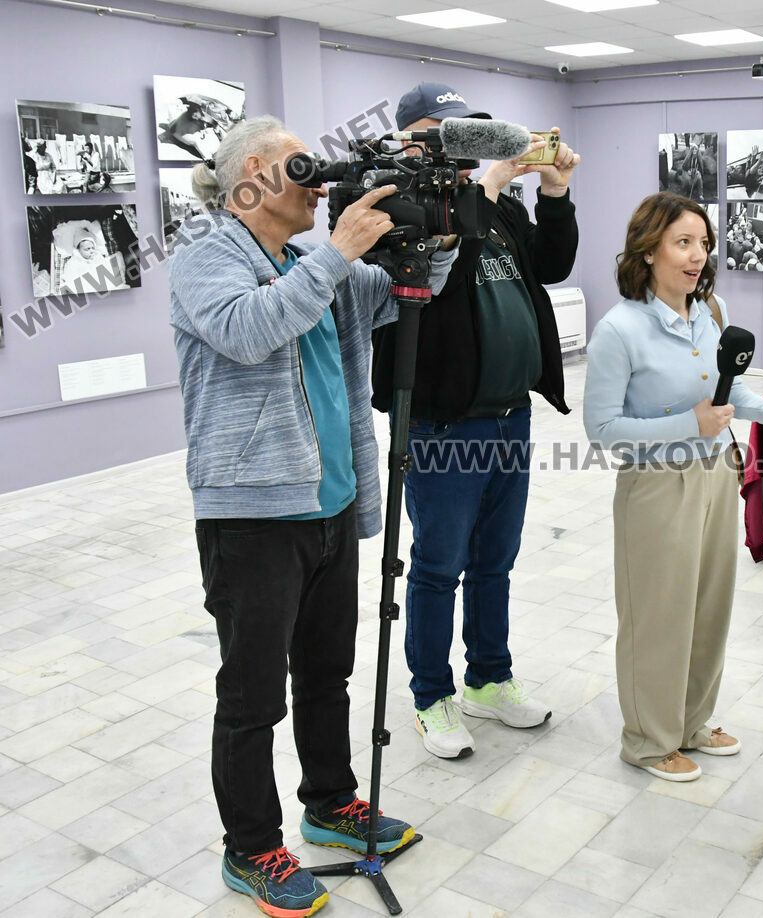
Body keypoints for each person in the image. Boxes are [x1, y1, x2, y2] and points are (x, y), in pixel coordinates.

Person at [169, 115, 443, 918]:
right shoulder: (206, 256)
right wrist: (337, 251)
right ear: (253, 173)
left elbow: (410, 291)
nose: (319, 184)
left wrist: (436, 218)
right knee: (253, 695)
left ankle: (330, 803)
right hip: (253, 514)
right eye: (301, 166)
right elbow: (246, 331)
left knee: (327, 674)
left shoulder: (309, 264)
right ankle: (250, 848)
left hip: (331, 501)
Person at [584, 192, 763, 781]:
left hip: (718, 472)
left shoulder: (709, 311)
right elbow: (602, 429)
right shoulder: (619, 329)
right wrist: (688, 424)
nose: (698, 256)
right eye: (683, 243)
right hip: (657, 485)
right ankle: (649, 740)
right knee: (658, 614)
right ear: (648, 250)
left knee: (708, 607)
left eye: (703, 244)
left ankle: (691, 723)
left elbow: (727, 391)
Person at [370, 82, 581, 760]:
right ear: (413, 137)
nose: (463, 147)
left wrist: (554, 194)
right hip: (442, 423)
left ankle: (488, 678)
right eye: (448, 132)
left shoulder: (496, 208)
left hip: (509, 415)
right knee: (439, 564)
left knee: (496, 560)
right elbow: (438, 282)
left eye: (470, 132)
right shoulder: (395, 205)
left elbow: (551, 265)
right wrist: (485, 188)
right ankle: (431, 695)